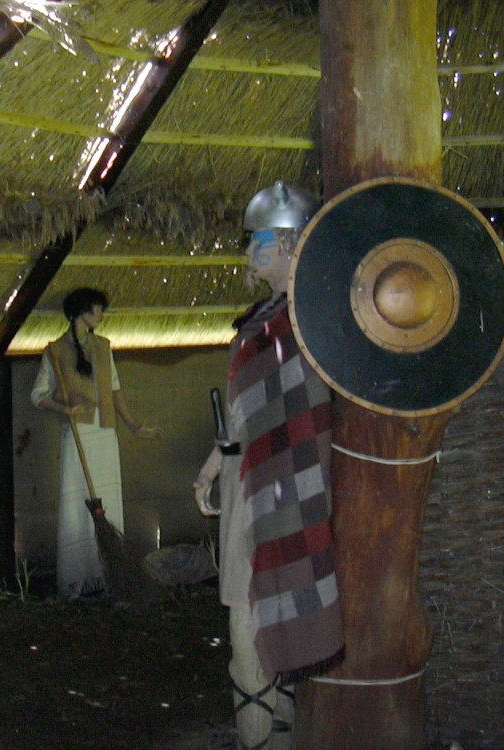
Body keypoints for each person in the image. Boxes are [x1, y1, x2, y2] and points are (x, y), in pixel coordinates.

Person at [192, 183, 343, 750]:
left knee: (250, 620)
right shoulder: (269, 320)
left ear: (283, 244)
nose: (246, 253)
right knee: (255, 613)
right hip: (255, 481)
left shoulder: (308, 322)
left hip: (281, 493)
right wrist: (212, 467)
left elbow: (294, 412)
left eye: (254, 240)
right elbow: (245, 412)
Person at [31, 288, 159, 600]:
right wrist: (65, 410)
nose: (101, 316)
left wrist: (132, 425)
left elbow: (114, 388)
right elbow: (38, 395)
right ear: (82, 313)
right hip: (78, 434)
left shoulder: (103, 347)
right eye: (97, 309)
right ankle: (79, 580)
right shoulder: (55, 351)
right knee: (79, 505)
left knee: (108, 502)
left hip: (105, 433)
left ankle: (108, 575)